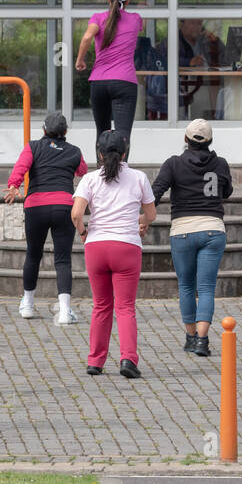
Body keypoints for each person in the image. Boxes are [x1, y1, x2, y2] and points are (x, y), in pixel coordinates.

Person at [72, 130, 156, 378]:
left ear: (99, 153)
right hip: (127, 247)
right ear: (125, 152)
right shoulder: (139, 177)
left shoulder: (89, 179)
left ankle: (95, 361)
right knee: (126, 307)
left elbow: (76, 214)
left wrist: (83, 233)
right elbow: (151, 215)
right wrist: (141, 222)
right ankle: (128, 359)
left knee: (101, 306)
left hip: (97, 247)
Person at [152, 118, 234, 357]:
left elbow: (155, 193)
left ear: (185, 139)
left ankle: (190, 337)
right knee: (206, 287)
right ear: (210, 141)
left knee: (186, 285)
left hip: (182, 230)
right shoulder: (220, 164)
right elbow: (227, 192)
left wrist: (143, 218)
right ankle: (203, 340)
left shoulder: (173, 163)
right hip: (213, 228)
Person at [5, 112, 88, 324]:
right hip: (64, 207)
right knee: (63, 259)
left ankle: (28, 304)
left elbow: (21, 167)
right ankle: (64, 311)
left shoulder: (33, 147)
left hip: (36, 206)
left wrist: (14, 186)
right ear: (66, 132)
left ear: (43, 130)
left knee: (33, 255)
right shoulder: (74, 151)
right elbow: (83, 171)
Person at [76, 0, 143, 140]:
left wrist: (80, 60)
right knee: (123, 135)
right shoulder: (135, 19)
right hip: (124, 82)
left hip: (99, 81)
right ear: (127, 2)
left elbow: (86, 38)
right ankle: (122, 165)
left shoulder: (97, 18)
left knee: (102, 133)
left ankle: (102, 165)